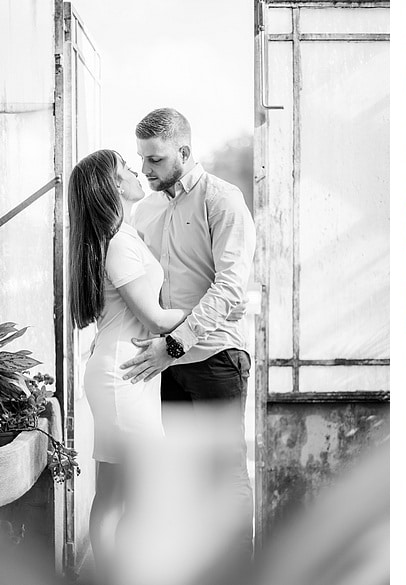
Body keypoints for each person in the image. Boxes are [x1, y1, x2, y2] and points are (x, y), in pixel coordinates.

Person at [118, 108, 256, 570]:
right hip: (165, 363)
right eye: (141, 159)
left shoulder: (223, 199)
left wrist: (175, 342)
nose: (145, 169)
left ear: (183, 151)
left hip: (218, 356)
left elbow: (232, 287)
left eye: (154, 159)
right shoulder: (145, 209)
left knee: (225, 471)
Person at [67, 149, 191, 581]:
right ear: (114, 186)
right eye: (127, 169)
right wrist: (211, 312)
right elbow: (155, 318)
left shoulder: (123, 236)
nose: (137, 172)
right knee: (138, 494)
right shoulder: (118, 244)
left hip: (122, 372)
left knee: (115, 493)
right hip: (123, 379)